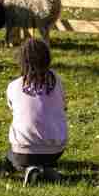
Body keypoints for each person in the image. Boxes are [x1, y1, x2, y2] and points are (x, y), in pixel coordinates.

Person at [6, 38, 68, 186]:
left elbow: (13, 109)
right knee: (43, 154)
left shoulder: (14, 86)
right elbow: (64, 105)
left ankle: (28, 168)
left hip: (23, 151)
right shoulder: (57, 81)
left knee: (10, 156)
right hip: (55, 150)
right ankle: (46, 169)